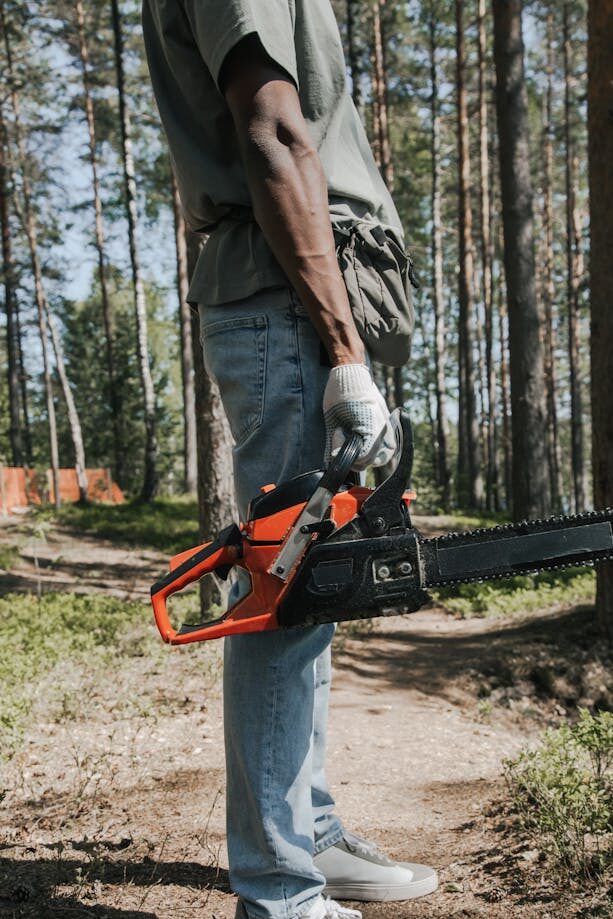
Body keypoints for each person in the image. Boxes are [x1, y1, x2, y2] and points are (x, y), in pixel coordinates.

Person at [141, 2, 438, 917]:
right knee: (282, 589)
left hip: (288, 297)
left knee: (308, 588)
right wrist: (344, 354)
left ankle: (304, 833)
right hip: (286, 302)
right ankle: (279, 889)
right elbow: (270, 129)